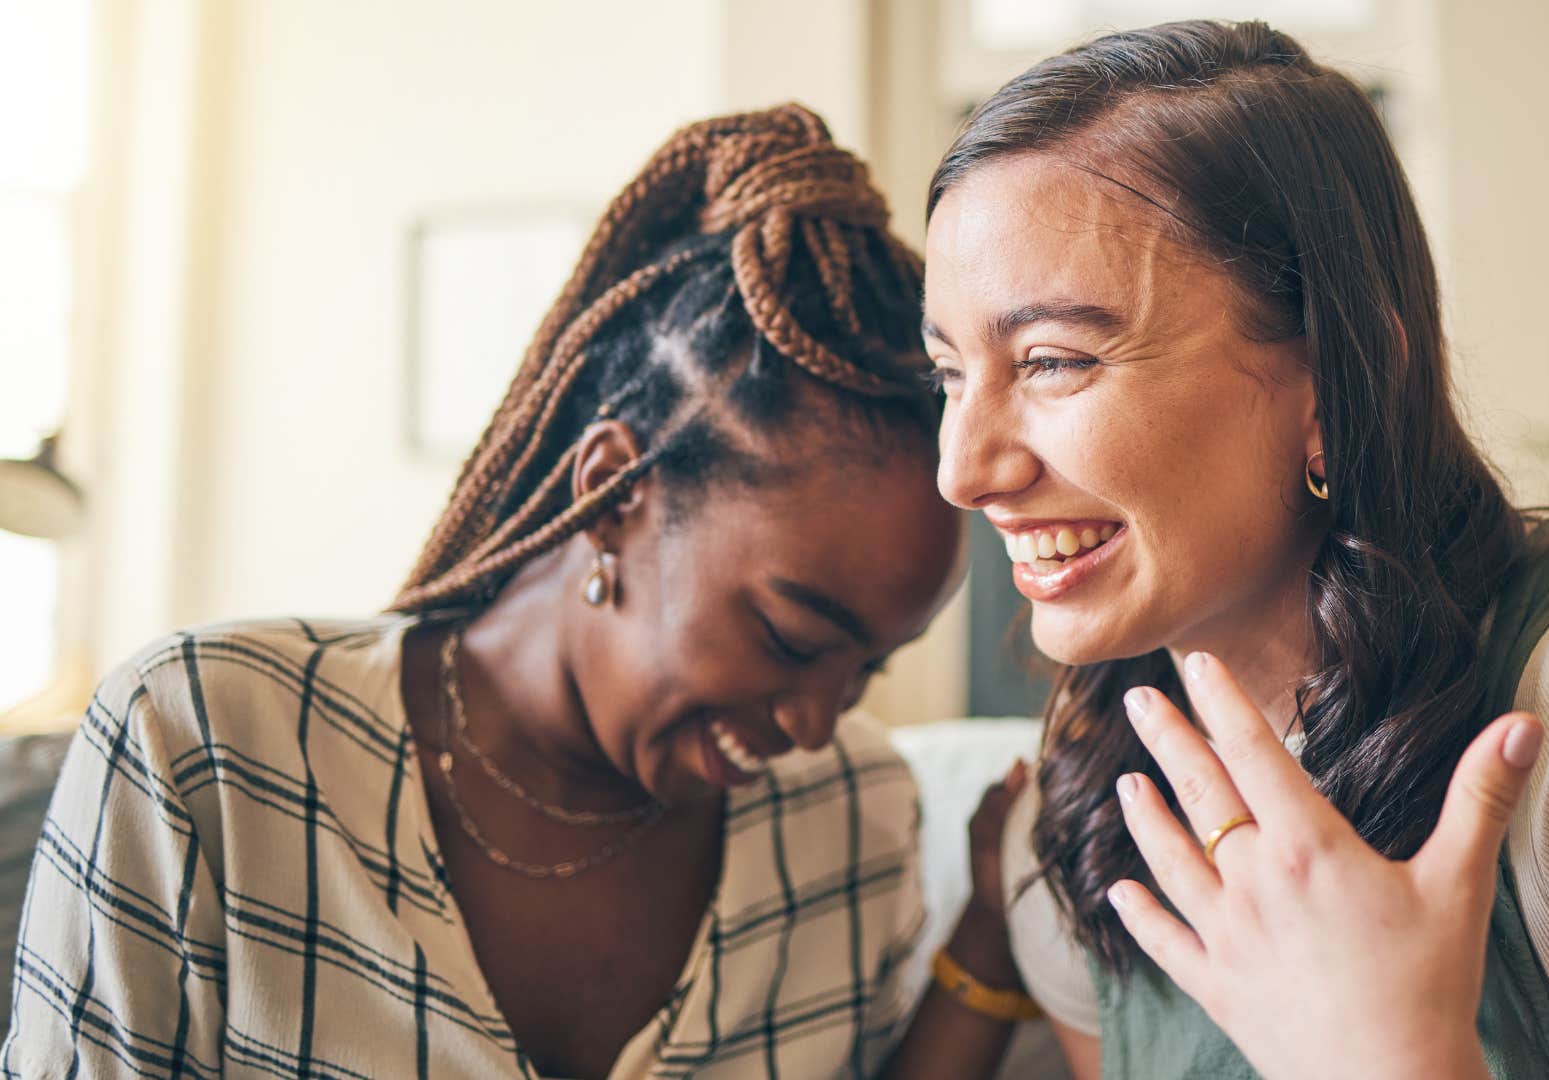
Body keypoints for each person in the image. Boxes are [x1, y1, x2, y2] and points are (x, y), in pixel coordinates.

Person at [922, 20, 1549, 1079]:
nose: (963, 472)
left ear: (1339, 379)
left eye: (1053, 361)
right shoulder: (1084, 819)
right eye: (950, 375)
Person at [2, 105, 1029, 1080]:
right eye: (792, 637)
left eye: (865, 674)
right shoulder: (205, 744)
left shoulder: (851, 811)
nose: (815, 723)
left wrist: (991, 932)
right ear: (611, 494)